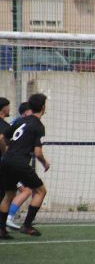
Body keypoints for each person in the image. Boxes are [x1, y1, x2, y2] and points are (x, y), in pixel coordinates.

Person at [0, 93, 50, 239]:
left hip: (6, 161)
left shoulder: (20, 121)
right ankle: (27, 225)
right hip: (20, 163)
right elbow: (38, 152)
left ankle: (1, 230)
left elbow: (3, 138)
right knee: (40, 191)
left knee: (8, 195)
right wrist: (44, 163)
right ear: (43, 107)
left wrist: (7, 152)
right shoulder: (38, 125)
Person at [6, 102, 33, 230]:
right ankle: (8, 218)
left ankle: (5, 219)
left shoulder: (15, 122)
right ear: (26, 113)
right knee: (26, 190)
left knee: (9, 192)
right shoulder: (25, 124)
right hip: (11, 163)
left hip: (8, 161)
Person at [0, 97, 11, 204]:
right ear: (4, 108)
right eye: (8, 107)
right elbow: (1, 139)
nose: (9, 109)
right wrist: (5, 154)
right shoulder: (5, 126)